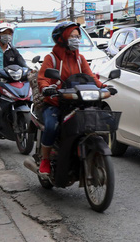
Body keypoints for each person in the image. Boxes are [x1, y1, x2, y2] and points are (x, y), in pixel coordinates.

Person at [36, 22, 106, 175]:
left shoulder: (80, 58)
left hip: (77, 101)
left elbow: (90, 77)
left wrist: (103, 87)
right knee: (51, 126)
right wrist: (46, 88)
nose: (76, 40)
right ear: (63, 39)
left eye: (78, 36)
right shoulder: (52, 58)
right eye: (72, 36)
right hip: (56, 103)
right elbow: (42, 78)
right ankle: (45, 160)